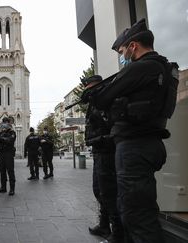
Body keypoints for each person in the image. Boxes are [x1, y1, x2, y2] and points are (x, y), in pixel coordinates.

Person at [93, 19, 179, 243]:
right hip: (150, 143)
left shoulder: (141, 67)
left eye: (122, 51)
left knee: (137, 214)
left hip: (135, 147)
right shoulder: (164, 68)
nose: (122, 56)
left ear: (133, 46)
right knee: (137, 207)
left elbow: (103, 98)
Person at [83, 75, 124, 243]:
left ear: (96, 86)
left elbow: (110, 125)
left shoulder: (106, 101)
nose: (86, 90)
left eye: (88, 86)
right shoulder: (96, 102)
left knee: (109, 192)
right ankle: (104, 224)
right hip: (98, 151)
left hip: (107, 152)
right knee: (98, 190)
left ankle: (118, 233)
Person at [0, 117, 17, 196]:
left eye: (6, 122)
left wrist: (2, 139)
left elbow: (10, 140)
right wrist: (4, 139)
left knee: (10, 171)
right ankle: (3, 188)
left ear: (9, 123)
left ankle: (12, 189)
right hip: (1, 154)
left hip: (9, 154)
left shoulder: (12, 132)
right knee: (2, 171)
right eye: (3, 122)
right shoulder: (1, 133)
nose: (4, 124)